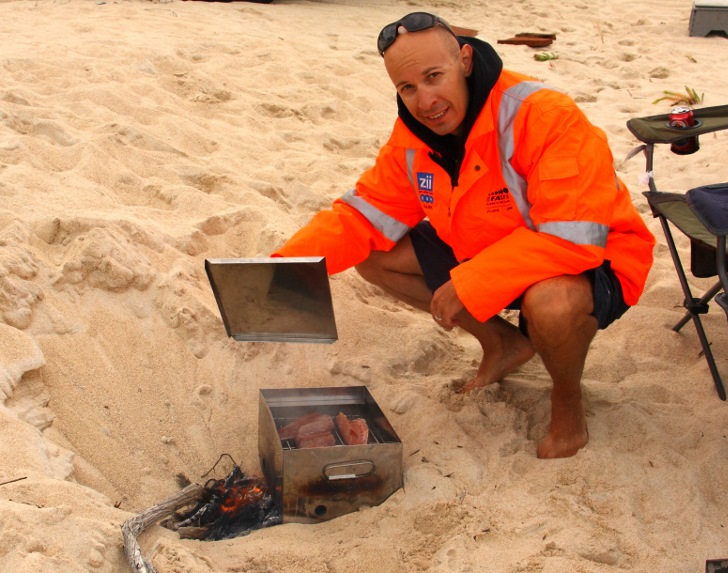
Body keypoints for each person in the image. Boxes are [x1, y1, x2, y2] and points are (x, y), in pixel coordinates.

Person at [273, 12, 655, 458]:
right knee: (374, 254)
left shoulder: (544, 114)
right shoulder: (413, 137)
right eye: (408, 88)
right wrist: (283, 269)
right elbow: (363, 215)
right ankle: (503, 342)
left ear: (466, 61)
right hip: (488, 249)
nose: (425, 100)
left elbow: (573, 237)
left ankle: (567, 402)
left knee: (550, 304)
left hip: (594, 260)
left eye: (434, 76)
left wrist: (471, 283)